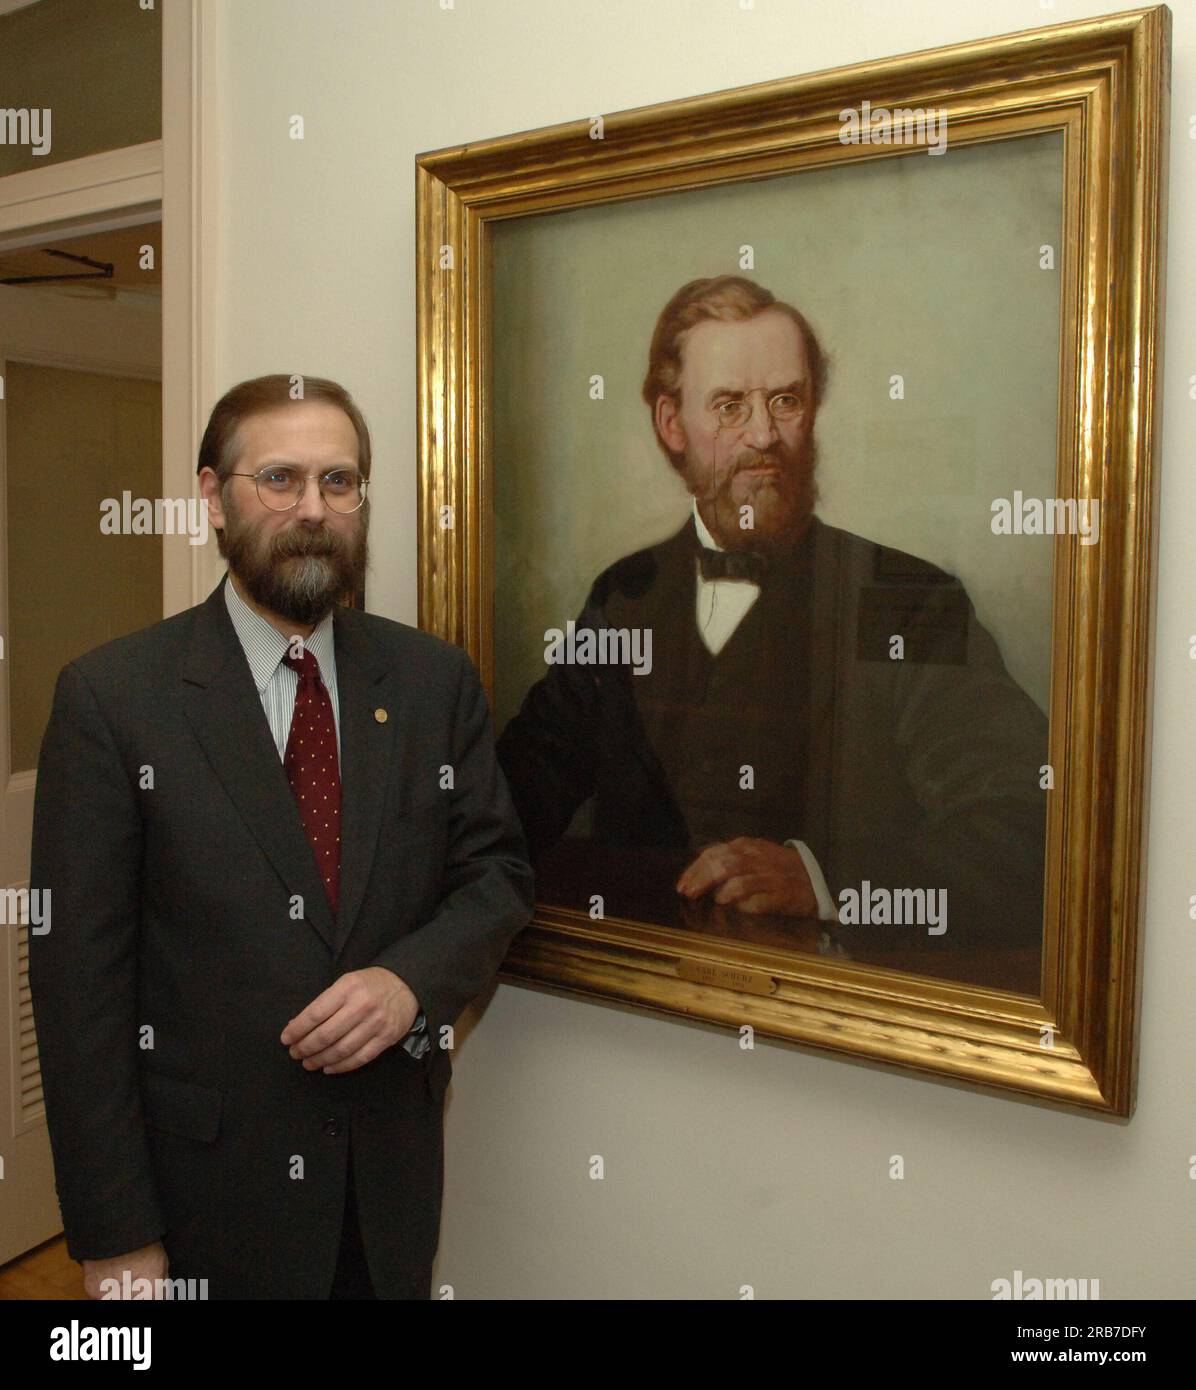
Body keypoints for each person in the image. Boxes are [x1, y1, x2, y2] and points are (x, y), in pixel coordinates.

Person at [29, 374, 533, 1300]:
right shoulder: (114, 702)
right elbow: (78, 993)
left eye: (340, 483)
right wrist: (115, 1236)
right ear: (212, 500)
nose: (314, 510)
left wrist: (409, 984)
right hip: (200, 1207)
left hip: (385, 1196)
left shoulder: (431, 684)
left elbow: (495, 875)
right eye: (281, 480)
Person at [496, 276, 1047, 976]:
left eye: (785, 400)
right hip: (629, 1008)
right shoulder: (627, 596)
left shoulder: (905, 599)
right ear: (671, 424)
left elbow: (1023, 824)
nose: (764, 435)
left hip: (835, 1034)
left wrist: (826, 885)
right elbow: (516, 794)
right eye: (729, 407)